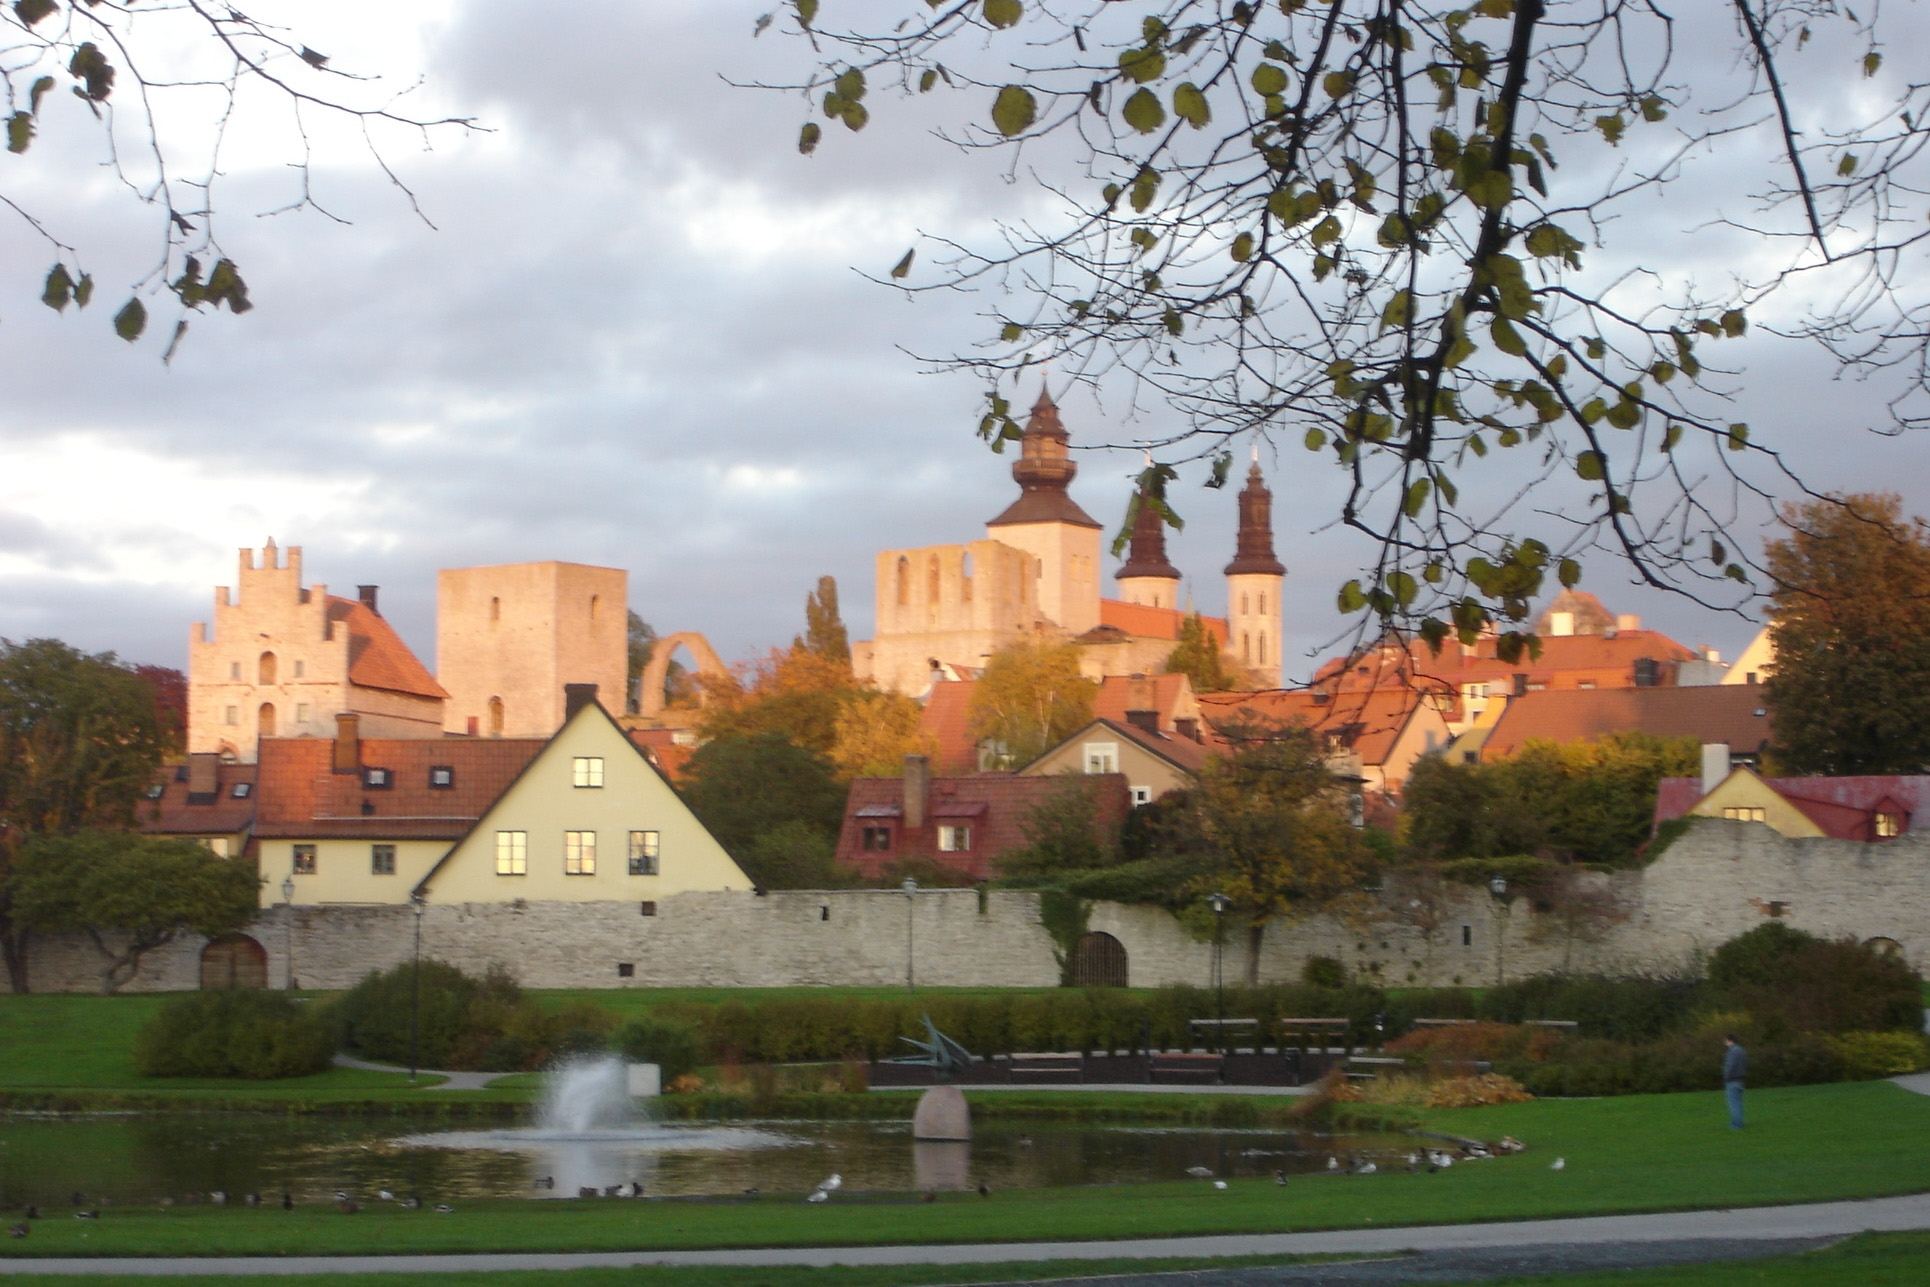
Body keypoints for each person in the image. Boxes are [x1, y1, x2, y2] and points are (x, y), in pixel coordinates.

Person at [1722, 1034, 1748, 1130]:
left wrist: (1726, 1077)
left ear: (1731, 1041)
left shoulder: (1733, 1052)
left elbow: (1731, 1066)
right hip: (1741, 1079)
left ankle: (1736, 1125)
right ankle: (1739, 1121)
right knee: (1738, 1102)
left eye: (1726, 1041)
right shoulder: (1742, 1051)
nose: (1725, 1043)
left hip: (1732, 1080)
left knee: (1733, 1103)